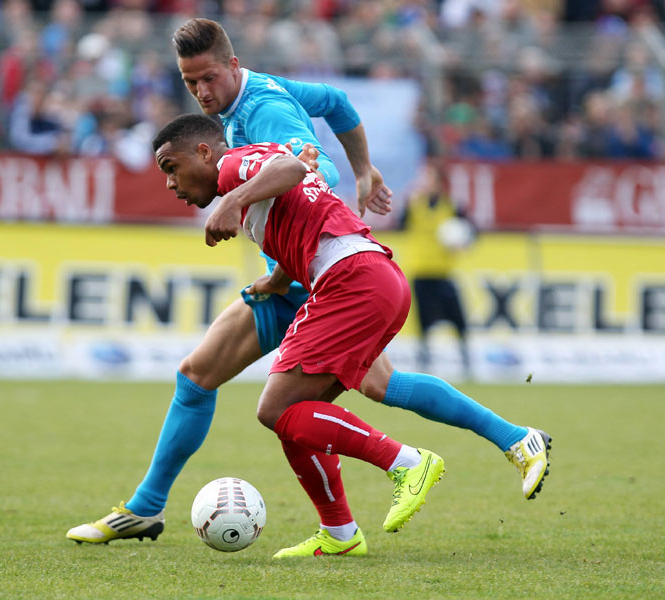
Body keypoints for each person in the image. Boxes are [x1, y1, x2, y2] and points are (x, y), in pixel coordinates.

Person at [66, 18, 551, 552]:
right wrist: (364, 169)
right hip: (307, 268)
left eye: (208, 79)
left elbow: (305, 166)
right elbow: (337, 101)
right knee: (344, 388)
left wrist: (241, 198)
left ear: (233, 66)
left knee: (258, 396)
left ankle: (154, 507)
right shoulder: (253, 97)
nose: (202, 92)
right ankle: (489, 451)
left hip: (330, 270)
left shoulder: (260, 112)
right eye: (189, 83)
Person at [153, 113, 446, 557]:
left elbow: (291, 169)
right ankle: (341, 533)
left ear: (204, 152)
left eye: (171, 167)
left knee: (275, 408)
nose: (170, 184)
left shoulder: (233, 167)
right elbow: (299, 208)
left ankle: (406, 462)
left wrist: (231, 202)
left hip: (353, 280)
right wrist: (275, 281)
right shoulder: (252, 185)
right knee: (297, 418)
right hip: (370, 279)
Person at [398, 160, 474, 374]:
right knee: (423, 322)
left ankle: (467, 362)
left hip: (443, 272)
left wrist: (462, 242)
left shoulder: (452, 206)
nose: (424, 183)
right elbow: (400, 225)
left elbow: (471, 233)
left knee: (458, 319)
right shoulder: (413, 204)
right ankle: (424, 362)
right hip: (421, 271)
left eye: (429, 178)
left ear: (439, 183)